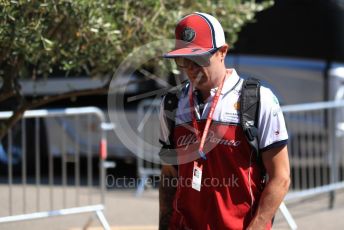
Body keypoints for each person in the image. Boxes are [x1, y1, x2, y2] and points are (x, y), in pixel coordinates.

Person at [158, 12, 290, 230]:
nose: (191, 68)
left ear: (222, 52)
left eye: (199, 59)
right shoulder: (171, 103)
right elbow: (169, 175)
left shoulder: (258, 100)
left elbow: (281, 178)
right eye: (183, 60)